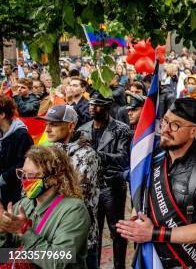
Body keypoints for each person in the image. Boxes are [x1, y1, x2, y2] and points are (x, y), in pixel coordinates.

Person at [117, 98, 196, 268]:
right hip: (148, 255)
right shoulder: (153, 156)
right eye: (165, 121)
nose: (166, 129)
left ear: (194, 131)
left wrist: (153, 233)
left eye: (175, 125)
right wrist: (135, 218)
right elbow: (142, 197)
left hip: (185, 260)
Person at [0, 146, 90, 268]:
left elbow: (57, 263)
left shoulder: (74, 210)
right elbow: (3, 256)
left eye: (31, 176)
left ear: (53, 179)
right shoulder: (23, 205)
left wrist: (24, 231)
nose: (24, 181)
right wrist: (3, 232)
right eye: (22, 174)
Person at [38, 105, 101, 269]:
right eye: (47, 124)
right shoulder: (49, 151)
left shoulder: (87, 155)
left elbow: (75, 198)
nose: (47, 129)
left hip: (81, 241)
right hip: (52, 234)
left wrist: (46, 184)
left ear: (71, 125)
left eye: (54, 124)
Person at [77, 92, 131, 269]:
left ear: (107, 107)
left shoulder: (121, 129)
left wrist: (97, 155)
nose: (92, 107)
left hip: (112, 186)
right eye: (91, 104)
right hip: (90, 188)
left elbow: (123, 159)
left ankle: (119, 266)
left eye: (97, 104)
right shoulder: (83, 129)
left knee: (117, 231)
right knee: (93, 231)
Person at [0, 95, 34, 207]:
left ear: (2, 115)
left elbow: (24, 164)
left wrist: (3, 178)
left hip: (14, 195)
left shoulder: (22, 135)